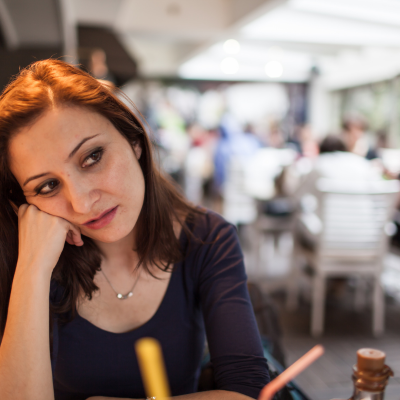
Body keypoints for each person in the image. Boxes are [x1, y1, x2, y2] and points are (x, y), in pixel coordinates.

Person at [0, 60, 269, 400]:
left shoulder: (206, 238)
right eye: (48, 186)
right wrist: (32, 271)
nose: (82, 204)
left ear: (135, 141)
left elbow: (248, 391)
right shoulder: (23, 258)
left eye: (92, 157)